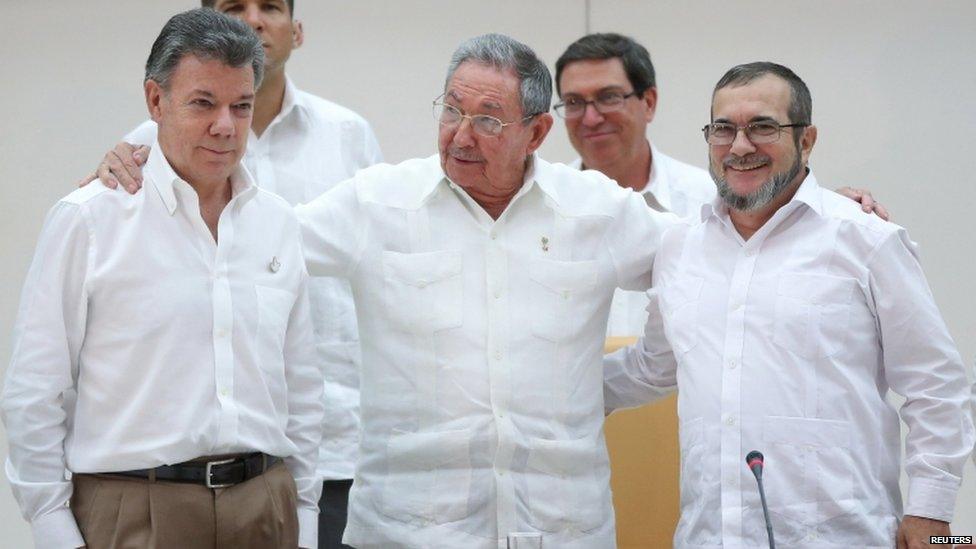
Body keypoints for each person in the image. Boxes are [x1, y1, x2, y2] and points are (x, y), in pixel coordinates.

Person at [94, 33, 676, 548]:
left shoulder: (596, 211)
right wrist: (151, 170)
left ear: (538, 131)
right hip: (406, 530)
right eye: (451, 110)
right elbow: (246, 240)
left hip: (561, 529)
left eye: (489, 119)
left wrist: (601, 385)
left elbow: (693, 272)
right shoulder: (377, 203)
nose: (461, 135)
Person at [603, 62, 974, 548]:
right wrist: (546, 389)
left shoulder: (867, 240)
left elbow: (935, 384)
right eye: (723, 129)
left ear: (807, 139)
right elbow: (653, 367)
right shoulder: (679, 247)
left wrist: (931, 510)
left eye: (762, 127)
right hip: (708, 537)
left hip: (844, 537)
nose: (739, 146)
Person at [1, 9, 323, 549]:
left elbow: (303, 386)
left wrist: (306, 516)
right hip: (134, 510)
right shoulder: (90, 218)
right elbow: (35, 391)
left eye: (240, 106)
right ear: (156, 101)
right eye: (203, 103)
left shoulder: (277, 223)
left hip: (266, 509)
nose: (226, 125)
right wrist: (52, 528)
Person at [92, 2, 383, 547]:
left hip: (340, 438)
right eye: (232, 8)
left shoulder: (348, 134)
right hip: (199, 456)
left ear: (296, 30)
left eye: (269, 6)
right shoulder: (147, 140)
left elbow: (383, 262)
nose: (252, 19)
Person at [554, 33, 888, 338]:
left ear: (649, 102)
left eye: (609, 97)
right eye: (573, 102)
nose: (590, 117)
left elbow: (794, 231)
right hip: (587, 402)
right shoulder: (543, 207)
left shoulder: (717, 200)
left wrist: (836, 208)